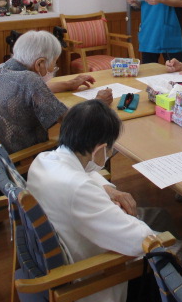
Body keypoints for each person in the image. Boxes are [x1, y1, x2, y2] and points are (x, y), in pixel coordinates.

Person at [27, 100, 169, 302]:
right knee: (173, 247)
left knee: (160, 216)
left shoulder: (44, 160)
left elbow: (84, 172)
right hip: (92, 278)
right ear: (101, 148)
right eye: (111, 149)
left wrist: (108, 189)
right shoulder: (79, 189)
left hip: (67, 245)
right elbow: (140, 241)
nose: (111, 153)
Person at [0, 30, 112, 153]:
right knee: (90, 142)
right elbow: (70, 120)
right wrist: (98, 102)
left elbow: (25, 93)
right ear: (39, 63)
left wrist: (68, 84)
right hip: (15, 160)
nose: (54, 68)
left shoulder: (1, 69)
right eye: (54, 63)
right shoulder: (30, 79)